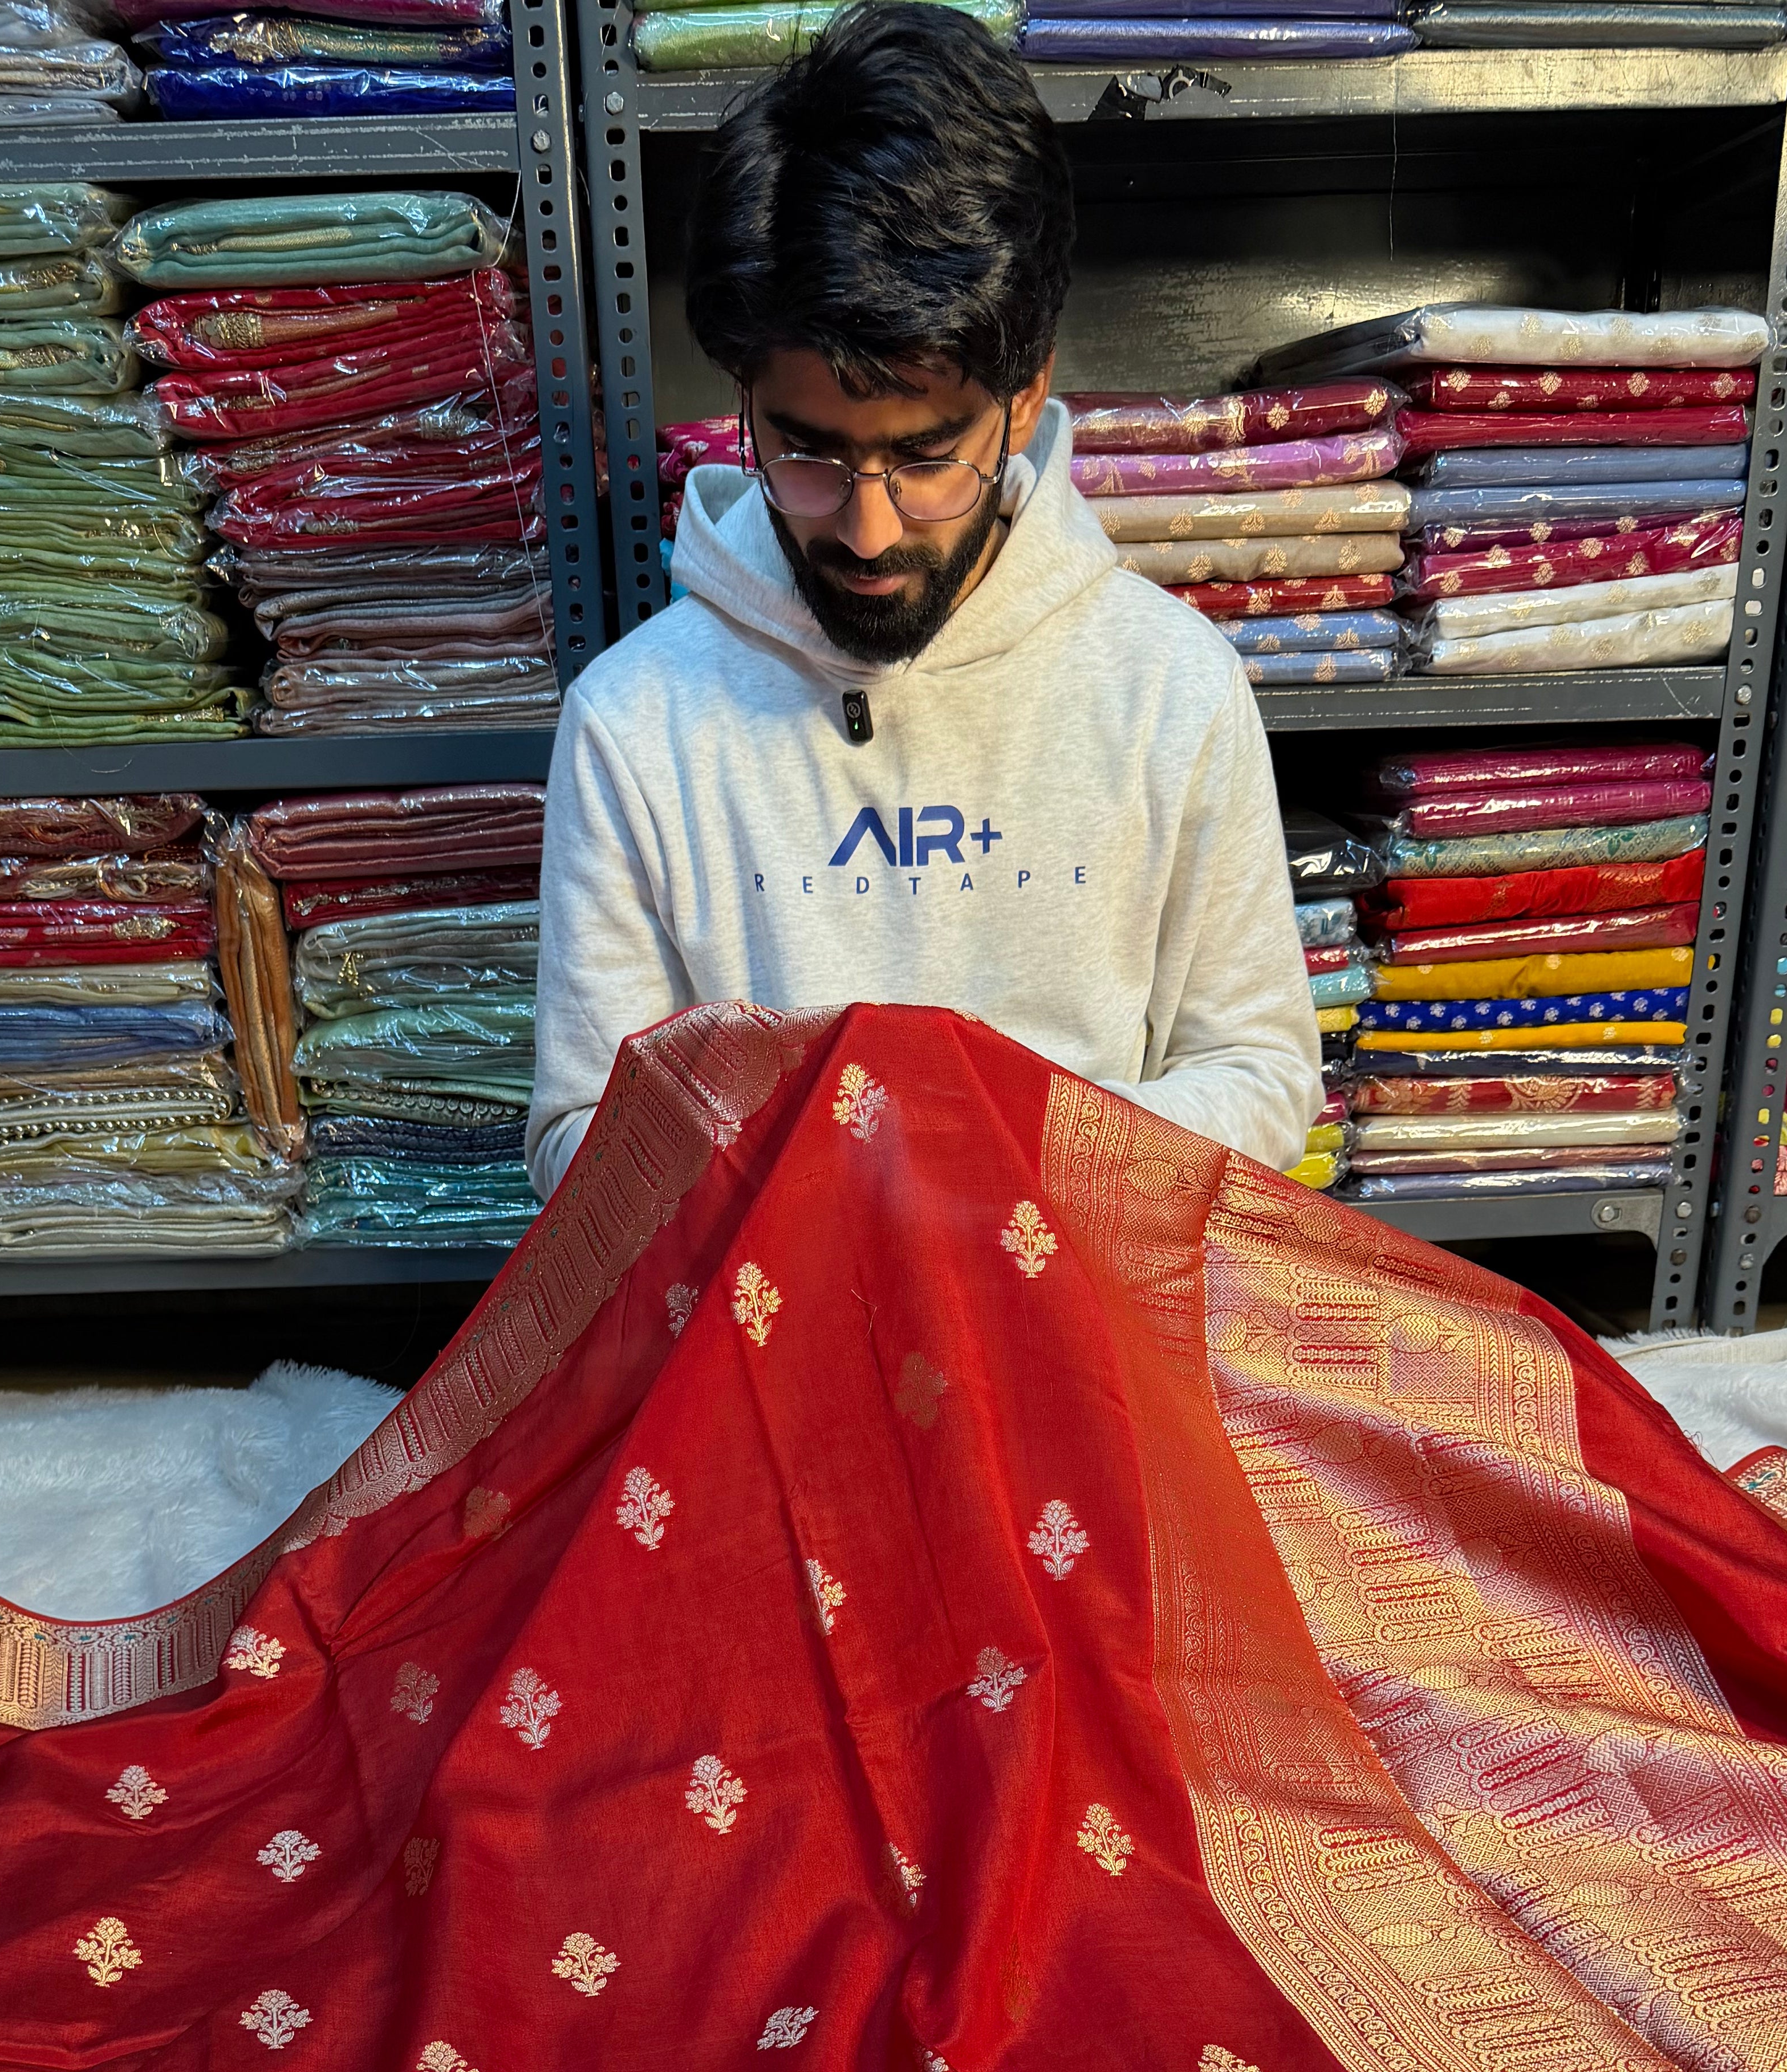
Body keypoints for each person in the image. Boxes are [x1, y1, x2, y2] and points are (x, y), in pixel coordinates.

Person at [525, 1, 1322, 1201]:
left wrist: (985, 1169)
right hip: (768, 1341)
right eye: (809, 451)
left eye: (927, 454)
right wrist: (832, 1189)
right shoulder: (637, 724)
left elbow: (1261, 1070)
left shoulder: (1169, 687)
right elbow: (575, 1132)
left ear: (1026, 388)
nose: (869, 526)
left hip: (1076, 1318)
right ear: (746, 395)